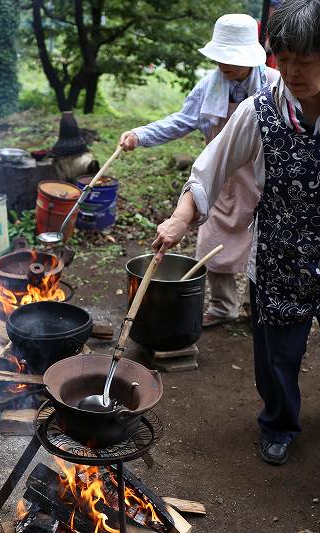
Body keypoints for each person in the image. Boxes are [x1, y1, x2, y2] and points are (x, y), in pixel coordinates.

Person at [151, 0, 320, 465]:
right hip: (280, 257)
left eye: (304, 61)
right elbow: (207, 173)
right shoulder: (261, 110)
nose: (290, 71)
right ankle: (278, 422)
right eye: (283, 58)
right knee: (277, 356)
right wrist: (179, 219)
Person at [120, 14, 279, 328]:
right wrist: (141, 135)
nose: (223, 65)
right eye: (219, 58)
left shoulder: (275, 85)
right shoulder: (210, 85)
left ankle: (257, 308)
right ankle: (223, 308)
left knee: (261, 246)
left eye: (230, 59)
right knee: (213, 243)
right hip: (219, 177)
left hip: (263, 179)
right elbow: (182, 121)